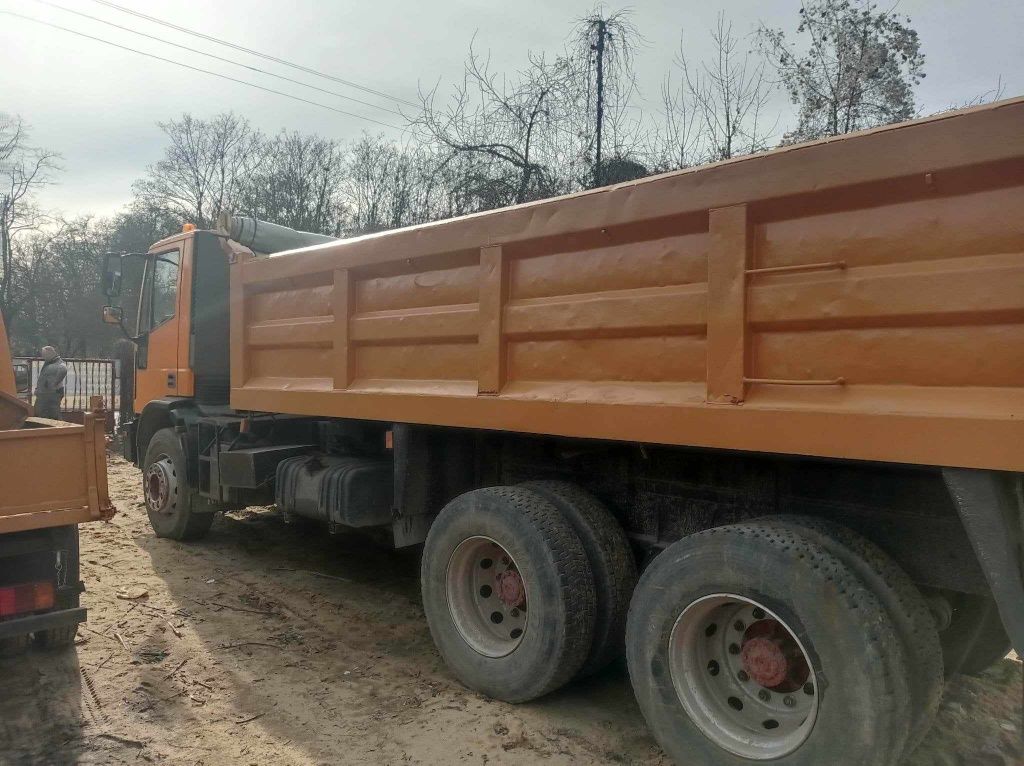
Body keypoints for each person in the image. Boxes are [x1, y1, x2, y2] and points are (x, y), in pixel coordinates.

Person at [34, 346, 67, 420]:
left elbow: (63, 370)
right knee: (41, 413)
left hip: (52, 394)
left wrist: (53, 384)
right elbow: (42, 378)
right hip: (44, 394)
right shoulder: (48, 363)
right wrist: (38, 389)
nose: (43, 357)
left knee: (53, 414)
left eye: (44, 355)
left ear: (50, 353)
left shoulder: (60, 365)